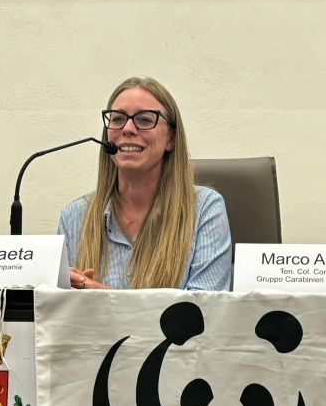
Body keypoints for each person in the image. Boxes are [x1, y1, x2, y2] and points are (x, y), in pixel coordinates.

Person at [58, 77, 231, 290]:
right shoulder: (74, 216)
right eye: (118, 119)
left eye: (145, 120)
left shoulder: (204, 208)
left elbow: (203, 307)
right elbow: (57, 309)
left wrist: (99, 295)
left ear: (171, 139)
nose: (128, 128)